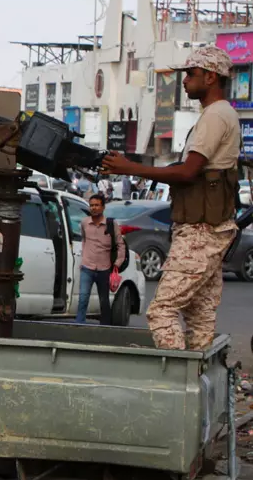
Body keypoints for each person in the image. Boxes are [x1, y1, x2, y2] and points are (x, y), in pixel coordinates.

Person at [103, 45, 241, 351]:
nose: (184, 80)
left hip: (200, 232)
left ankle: (178, 379)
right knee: (200, 318)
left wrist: (129, 167)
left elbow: (188, 172)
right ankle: (195, 386)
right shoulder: (219, 114)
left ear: (210, 77)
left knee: (162, 311)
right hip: (211, 229)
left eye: (191, 74)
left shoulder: (216, 116)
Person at [75, 193, 125, 325]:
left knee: (104, 301)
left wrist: (117, 263)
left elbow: (120, 245)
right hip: (87, 267)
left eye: (97, 205)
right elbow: (84, 240)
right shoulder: (85, 223)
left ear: (103, 207)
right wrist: (83, 258)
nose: (94, 208)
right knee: (83, 298)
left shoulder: (111, 225)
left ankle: (105, 328)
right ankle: (79, 326)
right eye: (91, 205)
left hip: (104, 269)